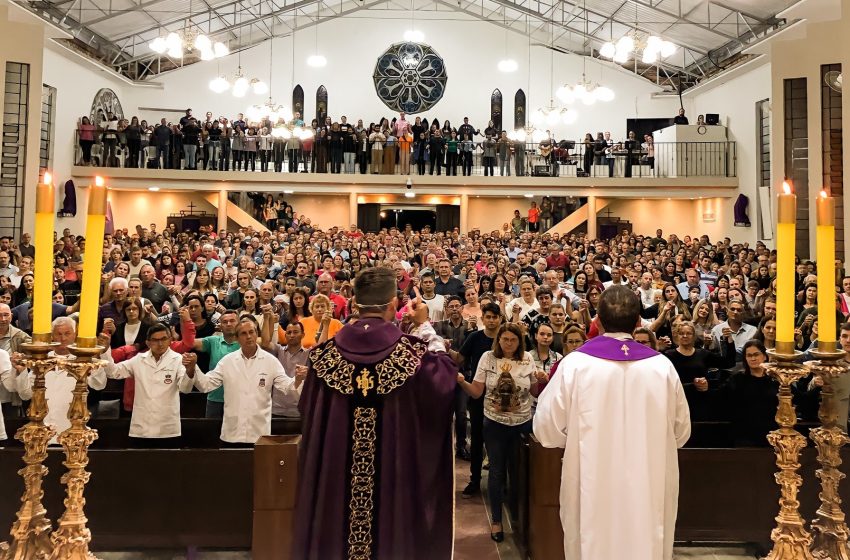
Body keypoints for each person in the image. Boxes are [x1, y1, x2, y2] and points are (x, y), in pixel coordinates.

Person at [293, 267, 457, 560]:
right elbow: (443, 383)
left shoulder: (323, 356)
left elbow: (307, 409)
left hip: (337, 475)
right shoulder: (410, 354)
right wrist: (425, 328)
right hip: (393, 477)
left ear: (354, 303)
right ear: (394, 304)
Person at [534, 286, 691, 560]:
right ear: (638, 322)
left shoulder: (575, 364)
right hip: (648, 480)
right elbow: (681, 432)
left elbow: (546, 430)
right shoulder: (662, 367)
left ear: (598, 320)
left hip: (592, 480)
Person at [185, 315, 305, 445]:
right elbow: (206, 385)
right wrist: (193, 368)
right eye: (243, 333)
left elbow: (287, 388)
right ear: (237, 338)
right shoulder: (227, 361)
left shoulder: (270, 361)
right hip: (232, 433)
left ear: (256, 334)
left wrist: (298, 379)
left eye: (251, 332)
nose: (248, 336)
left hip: (259, 434)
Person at [105, 323, 195, 446]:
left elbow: (185, 388)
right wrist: (105, 351)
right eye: (155, 340)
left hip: (167, 427)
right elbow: (113, 372)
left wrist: (190, 371)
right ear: (148, 343)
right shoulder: (139, 359)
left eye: (164, 339)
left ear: (170, 340)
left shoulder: (178, 359)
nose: (160, 344)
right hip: (142, 426)